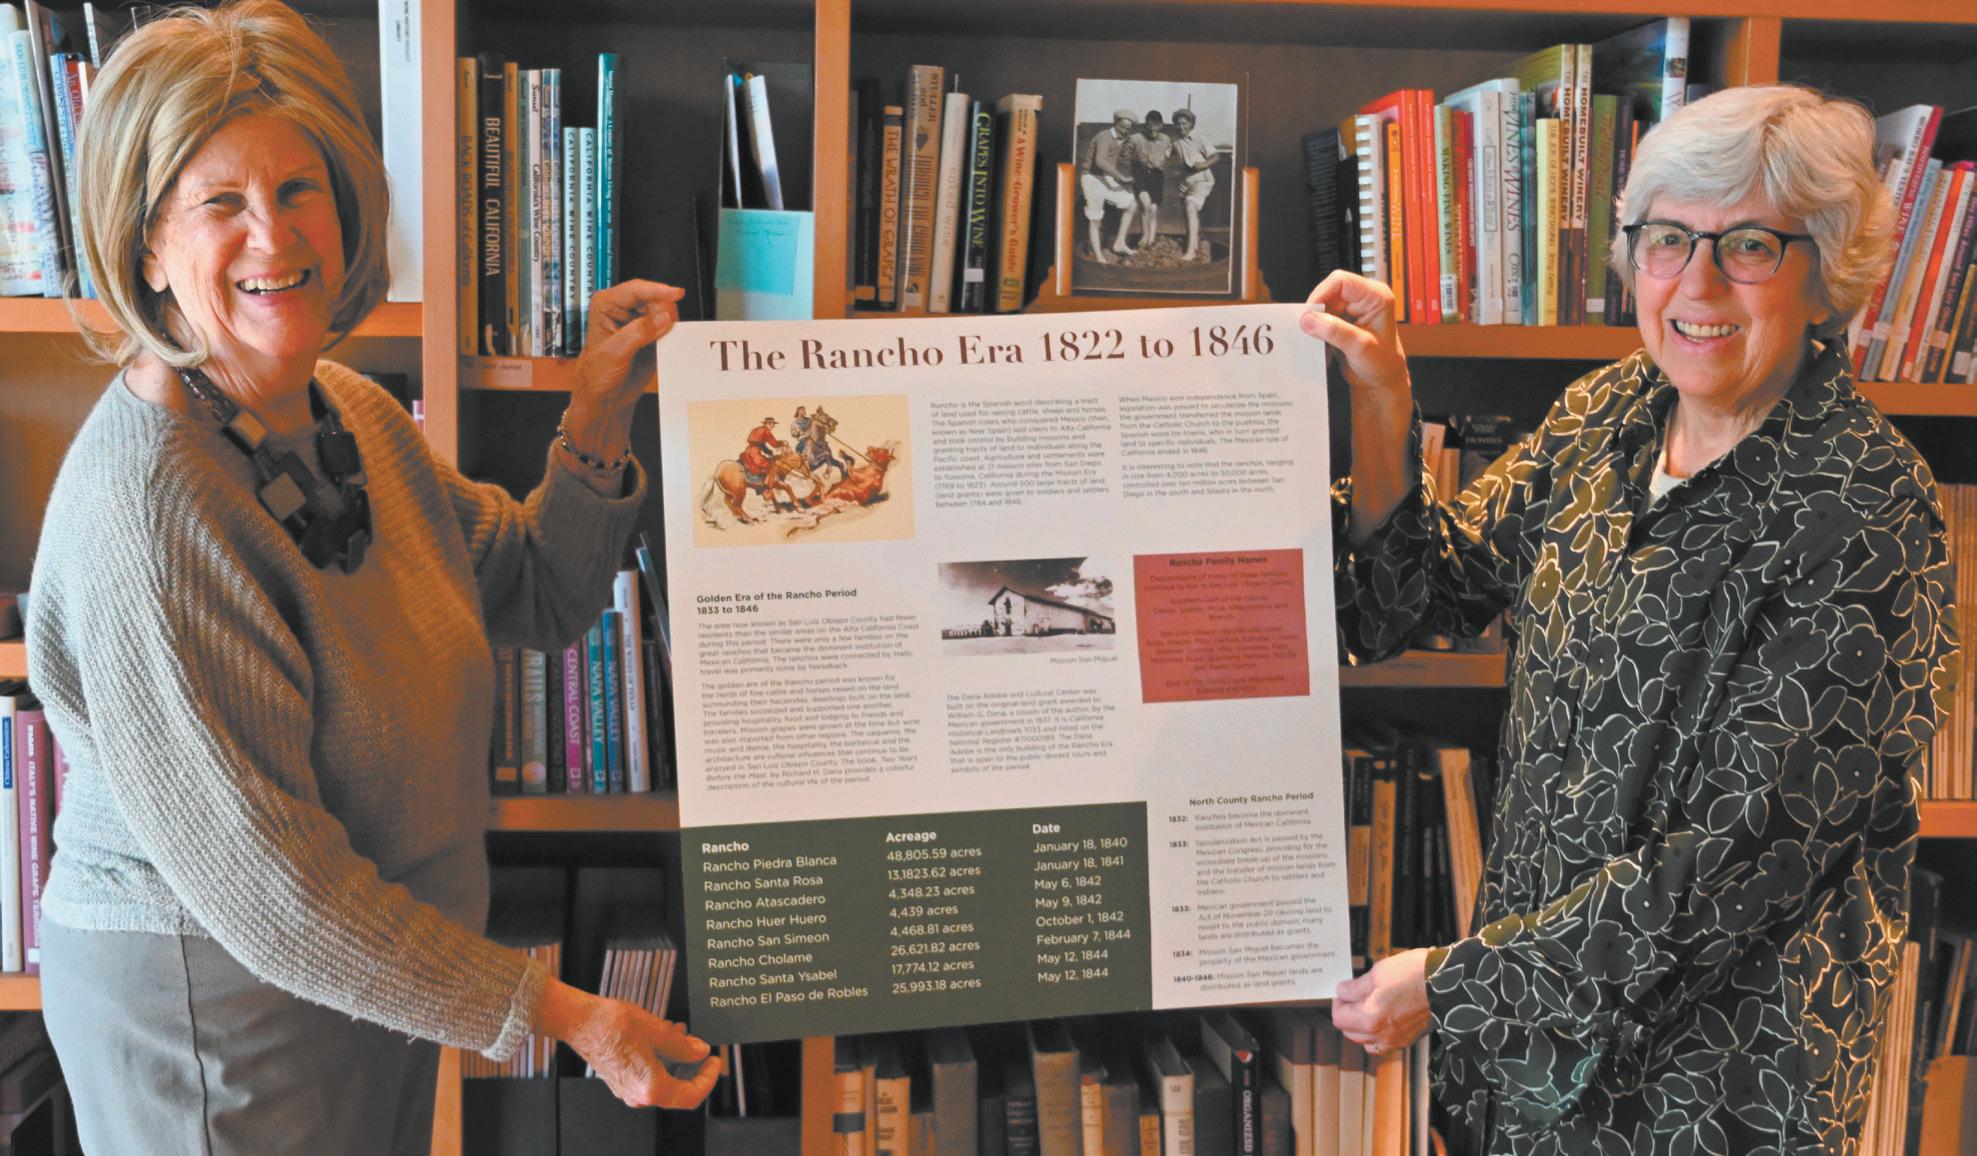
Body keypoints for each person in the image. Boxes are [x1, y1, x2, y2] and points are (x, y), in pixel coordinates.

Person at [25, 2, 719, 1152]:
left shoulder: (341, 410)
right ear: (145, 245)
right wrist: (563, 1015)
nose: (275, 235)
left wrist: (600, 407)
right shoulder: (149, 511)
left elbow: (537, 587)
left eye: (299, 188)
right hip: (217, 1017)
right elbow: (278, 897)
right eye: (221, 203)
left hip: (372, 977)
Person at [1308, 84, 1956, 1153]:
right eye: (1667, 239)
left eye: (1748, 245)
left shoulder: (1867, 511)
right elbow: (1409, 598)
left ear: (1826, 274)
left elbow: (1736, 866)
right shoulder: (1606, 415)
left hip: (1710, 1093)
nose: (1696, 283)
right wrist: (1381, 398)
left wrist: (1459, 983)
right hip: (1525, 1075)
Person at [1080, 108, 1140, 265]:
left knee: (1131, 204)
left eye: (1128, 129)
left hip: (1106, 179)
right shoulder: (1104, 136)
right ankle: (1099, 256)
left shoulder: (1123, 140)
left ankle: (1119, 243)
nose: (1125, 131)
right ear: (1115, 123)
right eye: (1122, 127)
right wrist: (1121, 178)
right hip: (1092, 178)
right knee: (1095, 219)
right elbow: (1100, 161)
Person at [1169, 108, 1218, 261]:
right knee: (1189, 213)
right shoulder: (1174, 141)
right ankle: (1195, 243)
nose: (1181, 127)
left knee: (1190, 207)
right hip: (1186, 183)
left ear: (1191, 124)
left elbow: (1215, 156)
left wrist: (1203, 165)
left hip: (1202, 180)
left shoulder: (1200, 139)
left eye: (1184, 123)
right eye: (1178, 124)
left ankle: (1191, 252)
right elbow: (1166, 155)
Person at [1130, 109, 1172, 251]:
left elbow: (1168, 154)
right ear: (1145, 125)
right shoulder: (1135, 138)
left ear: (1161, 126)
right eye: (1149, 128)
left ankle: (1151, 239)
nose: (1152, 131)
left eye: (1156, 128)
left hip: (1157, 175)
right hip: (1140, 173)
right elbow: (1125, 154)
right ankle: (1145, 235)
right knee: (1145, 203)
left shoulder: (1166, 139)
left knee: (1153, 208)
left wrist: (1160, 161)